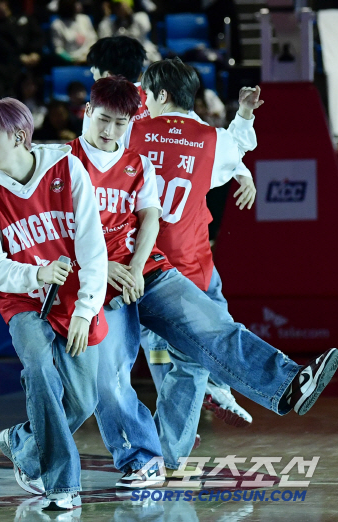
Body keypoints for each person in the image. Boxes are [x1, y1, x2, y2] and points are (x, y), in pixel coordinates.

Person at [11, 75, 338, 486]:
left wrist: (132, 267)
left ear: (130, 121)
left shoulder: (136, 162)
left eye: (118, 122)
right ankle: (128, 457)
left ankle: (289, 383)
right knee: (108, 385)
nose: (109, 130)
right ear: (86, 114)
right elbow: (45, 230)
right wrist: (104, 268)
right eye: (102, 120)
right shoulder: (57, 162)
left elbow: (149, 218)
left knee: (215, 327)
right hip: (93, 286)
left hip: (146, 272)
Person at [86, 37, 253, 428]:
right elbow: (226, 148)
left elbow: (96, 172)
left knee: (157, 341)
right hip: (192, 249)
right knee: (210, 322)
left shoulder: (123, 126)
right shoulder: (203, 134)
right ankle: (216, 388)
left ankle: (173, 432)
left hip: (140, 255)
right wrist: (242, 163)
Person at [0, 98, 108, 510]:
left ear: (20, 136)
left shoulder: (66, 167)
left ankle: (23, 443)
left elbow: (93, 248)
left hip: (75, 296)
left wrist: (84, 310)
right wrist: (36, 273)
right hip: (22, 299)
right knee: (40, 371)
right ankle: (62, 485)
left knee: (83, 401)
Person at [51, 0, 98, 65]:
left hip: (89, 60)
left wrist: (90, 56)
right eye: (75, 3)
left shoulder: (85, 19)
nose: (78, 5)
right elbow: (58, 50)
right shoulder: (57, 25)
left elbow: (93, 39)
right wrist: (72, 60)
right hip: (71, 63)